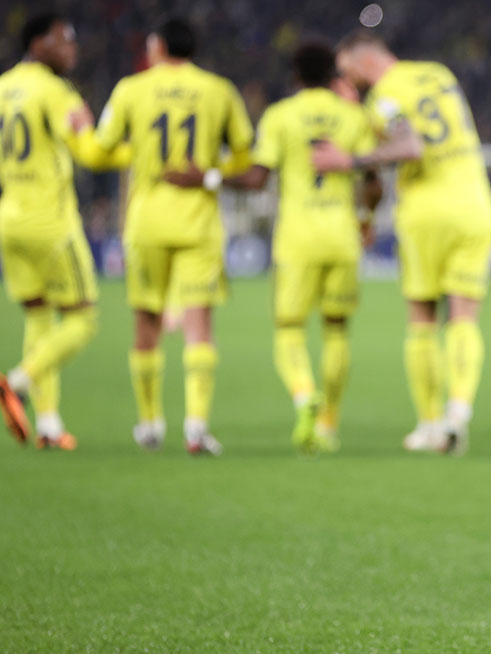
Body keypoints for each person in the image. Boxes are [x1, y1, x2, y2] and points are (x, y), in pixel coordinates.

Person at [168, 43, 381, 453]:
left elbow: (255, 179)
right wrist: (367, 219)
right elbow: (373, 181)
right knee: (336, 330)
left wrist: (208, 178)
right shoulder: (354, 117)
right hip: (341, 236)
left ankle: (304, 394)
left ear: (295, 75)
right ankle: (329, 424)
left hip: (297, 240)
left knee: (289, 330)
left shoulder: (280, 116)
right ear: (332, 75)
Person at [312, 31, 491, 454]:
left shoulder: (382, 99)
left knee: (422, 321)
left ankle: (430, 425)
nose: (348, 80)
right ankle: (458, 413)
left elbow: (409, 145)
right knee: (465, 318)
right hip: (474, 203)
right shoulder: (438, 72)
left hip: (425, 212)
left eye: (346, 72)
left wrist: (351, 160)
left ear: (361, 63)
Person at [93, 18, 254, 455]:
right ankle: (197, 428)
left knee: (146, 322)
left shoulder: (131, 88)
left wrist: (139, 152)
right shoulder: (219, 90)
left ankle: (149, 425)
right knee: (199, 324)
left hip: (146, 221)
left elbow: (101, 147)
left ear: (158, 47)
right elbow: (244, 154)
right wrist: (210, 174)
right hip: (198, 221)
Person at [0, 12, 129, 449]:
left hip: (10, 218)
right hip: (50, 223)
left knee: (39, 314)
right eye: (63, 40)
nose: (72, 49)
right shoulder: (55, 92)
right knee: (82, 318)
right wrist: (135, 150)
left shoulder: (2, 87)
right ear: (37, 44)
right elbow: (90, 152)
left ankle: (49, 426)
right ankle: (16, 383)